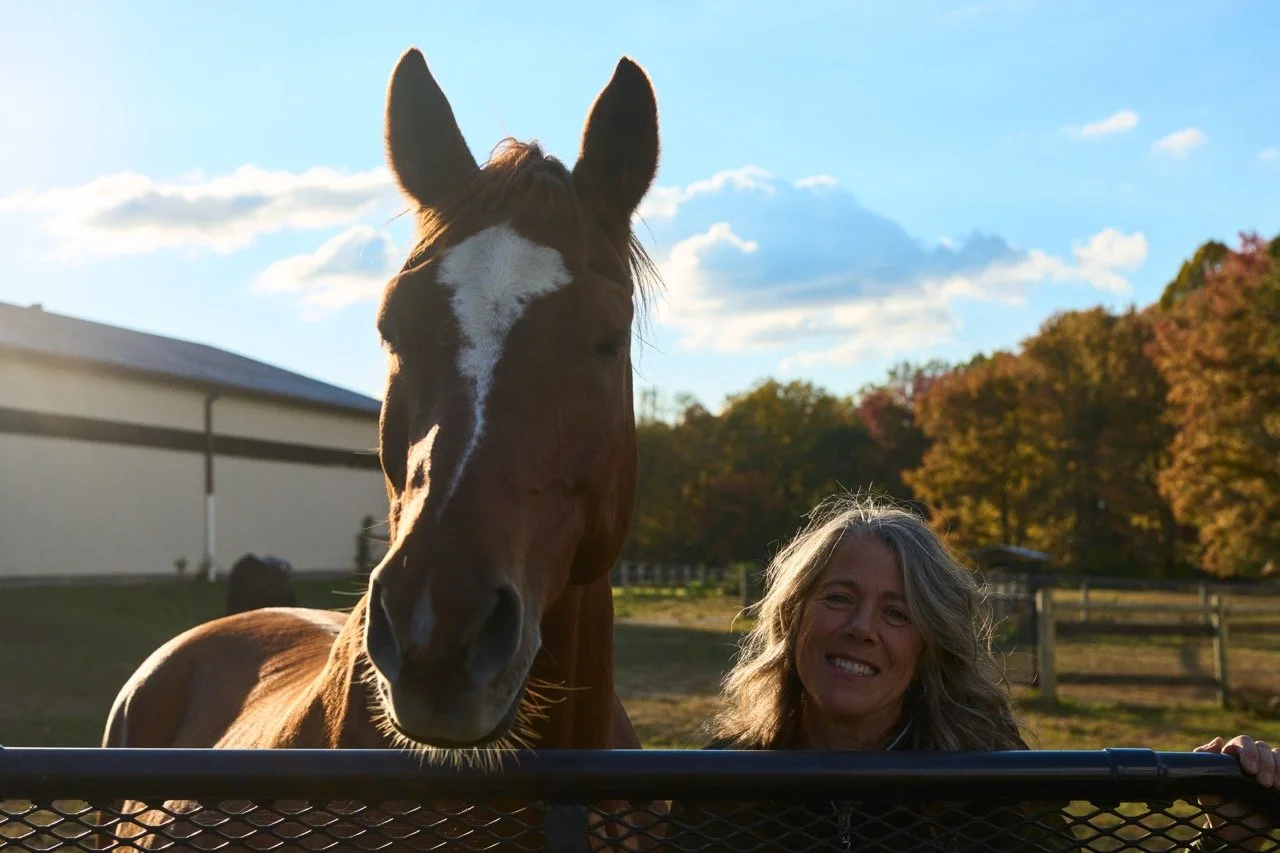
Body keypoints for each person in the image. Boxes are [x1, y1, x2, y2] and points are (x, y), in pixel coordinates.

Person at [667, 494, 1279, 851]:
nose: (861, 627)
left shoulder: (989, 785)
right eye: (837, 598)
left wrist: (1230, 840)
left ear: (930, 645)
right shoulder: (723, 782)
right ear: (793, 618)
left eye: (897, 612)